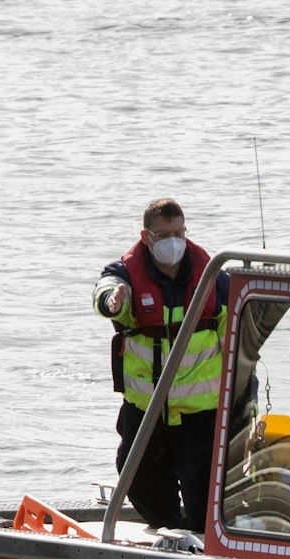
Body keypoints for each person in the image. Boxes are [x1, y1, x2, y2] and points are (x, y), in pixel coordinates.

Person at [94, 198, 230, 533]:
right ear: (146, 237)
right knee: (135, 475)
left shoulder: (215, 278)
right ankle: (169, 529)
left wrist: (242, 397)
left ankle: (199, 539)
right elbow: (105, 293)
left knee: (204, 496)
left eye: (179, 232)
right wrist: (113, 301)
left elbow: (241, 337)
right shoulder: (125, 275)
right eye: (164, 234)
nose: (174, 241)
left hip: (200, 413)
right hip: (145, 409)